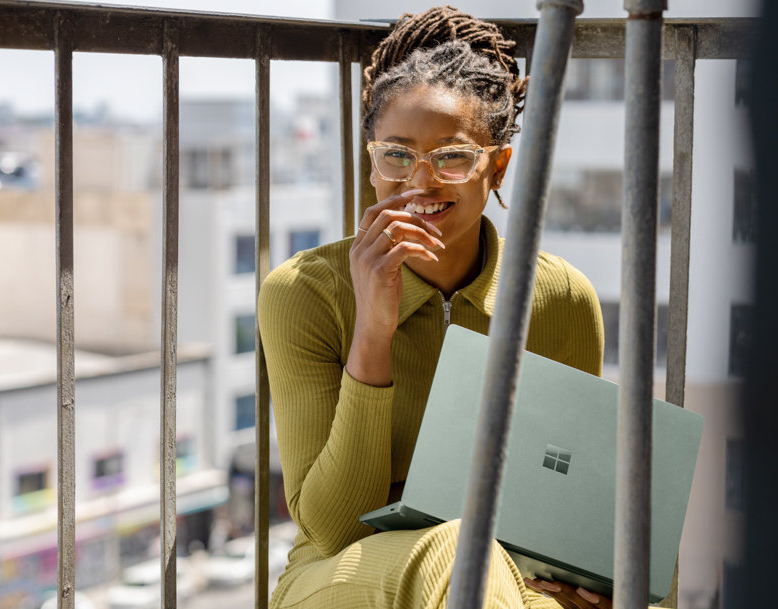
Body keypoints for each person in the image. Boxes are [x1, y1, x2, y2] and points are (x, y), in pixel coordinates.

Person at [257, 6, 606, 608]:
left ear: (495, 166)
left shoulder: (561, 297)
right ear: (370, 162)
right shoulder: (303, 292)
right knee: (459, 553)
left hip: (505, 573)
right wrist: (373, 330)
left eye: (452, 156)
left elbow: (566, 499)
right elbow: (334, 527)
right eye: (396, 154)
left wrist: (597, 582)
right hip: (339, 575)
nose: (420, 181)